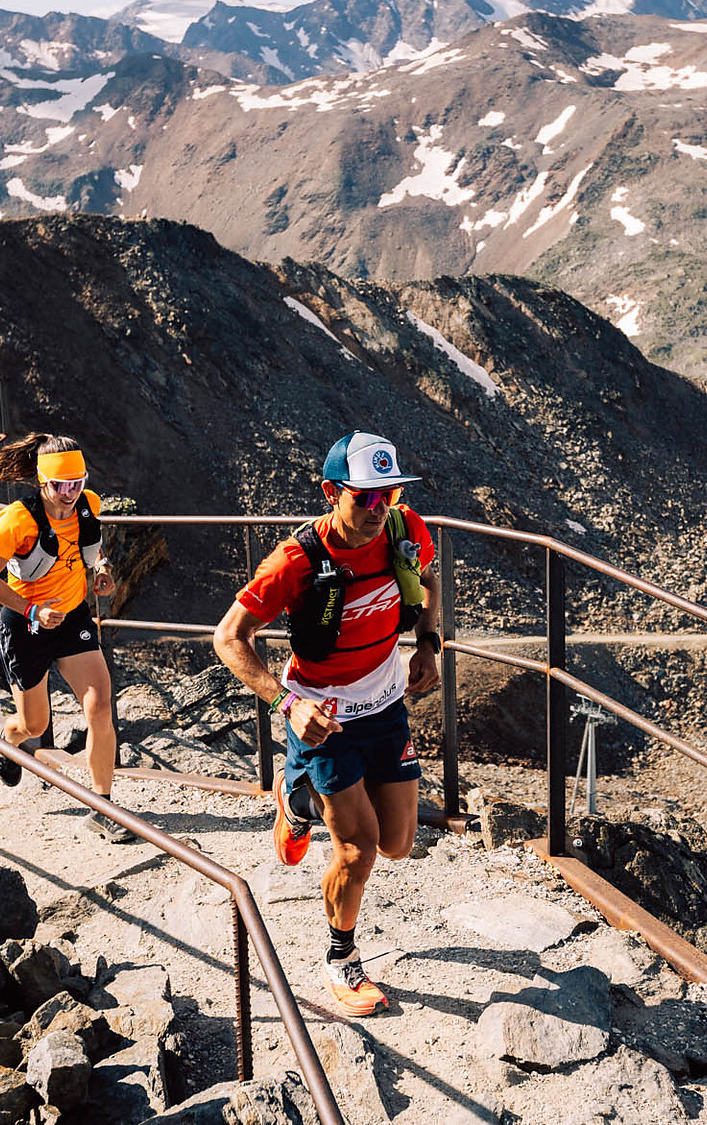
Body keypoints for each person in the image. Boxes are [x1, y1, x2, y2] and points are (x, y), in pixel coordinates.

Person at [214, 431, 441, 1017]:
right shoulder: (294, 561)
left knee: (398, 844)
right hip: (323, 717)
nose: (375, 510)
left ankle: (296, 799)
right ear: (329, 490)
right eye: (363, 497)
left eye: (386, 496)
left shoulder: (402, 527)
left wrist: (428, 643)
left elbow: (431, 581)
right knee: (358, 851)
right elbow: (228, 638)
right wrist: (287, 705)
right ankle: (341, 958)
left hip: (386, 704)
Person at [0, 432, 129, 843]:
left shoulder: (88, 506)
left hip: (73, 616)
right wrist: (33, 610)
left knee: (98, 706)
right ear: (42, 481)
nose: (70, 493)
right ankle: (8, 738)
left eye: (77, 483)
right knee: (34, 724)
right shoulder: (16, 520)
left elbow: (90, 551)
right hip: (26, 625)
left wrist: (101, 572)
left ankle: (103, 807)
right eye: (61, 486)